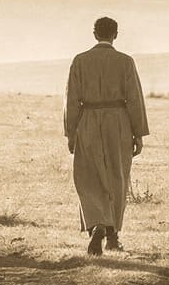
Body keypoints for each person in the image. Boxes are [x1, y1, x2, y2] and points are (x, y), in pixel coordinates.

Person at [64, 17, 149, 256]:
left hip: (88, 120)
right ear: (116, 35)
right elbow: (134, 99)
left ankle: (97, 224)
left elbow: (71, 100)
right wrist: (138, 133)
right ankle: (112, 234)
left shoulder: (80, 61)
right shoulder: (125, 62)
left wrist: (71, 133)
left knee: (88, 176)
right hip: (118, 121)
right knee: (117, 176)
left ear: (94, 34)